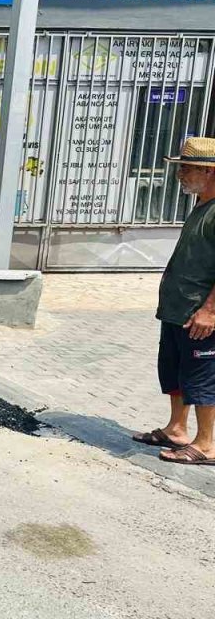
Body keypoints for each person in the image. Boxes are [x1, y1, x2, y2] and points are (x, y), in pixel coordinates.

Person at [131, 136, 215, 466]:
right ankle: (177, 428)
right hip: (178, 309)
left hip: (200, 314)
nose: (179, 175)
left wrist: (210, 310)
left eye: (185, 169)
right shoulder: (201, 206)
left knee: (202, 375)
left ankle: (207, 443)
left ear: (209, 172)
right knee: (175, 370)